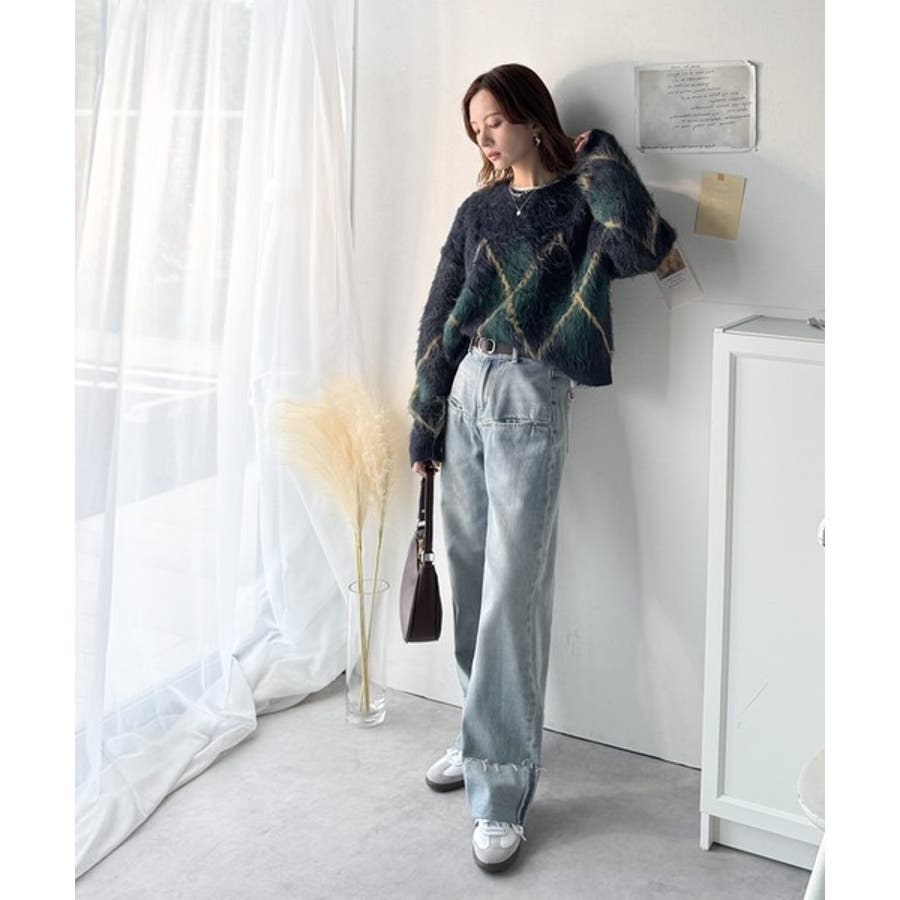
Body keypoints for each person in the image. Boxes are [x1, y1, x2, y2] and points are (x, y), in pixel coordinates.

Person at [407, 63, 677, 873]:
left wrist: (598, 154)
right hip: (467, 388)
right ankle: (478, 737)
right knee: (469, 578)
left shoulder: (580, 203)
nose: (485, 137)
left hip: (531, 387)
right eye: (475, 128)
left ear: (532, 117)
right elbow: (438, 313)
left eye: (494, 120)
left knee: (511, 593)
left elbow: (641, 244)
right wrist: (425, 419)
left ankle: (499, 789)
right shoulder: (477, 210)